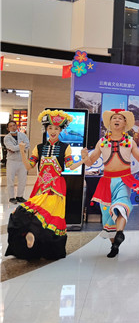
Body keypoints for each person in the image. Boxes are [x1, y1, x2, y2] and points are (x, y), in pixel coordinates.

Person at [5, 110, 84, 260]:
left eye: (56, 128)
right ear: (46, 129)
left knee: (50, 218)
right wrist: (22, 151)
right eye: (50, 128)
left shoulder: (65, 147)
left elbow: (71, 166)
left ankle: (44, 246)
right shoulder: (39, 147)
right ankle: (32, 240)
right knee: (28, 212)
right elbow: (29, 166)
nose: (53, 131)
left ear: (61, 130)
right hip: (41, 187)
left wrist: (83, 160)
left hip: (57, 188)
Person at [82, 109, 139, 258]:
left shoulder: (130, 142)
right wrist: (85, 157)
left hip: (123, 179)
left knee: (120, 206)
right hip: (106, 181)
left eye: (120, 118)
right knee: (107, 215)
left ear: (125, 123)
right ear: (109, 123)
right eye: (114, 118)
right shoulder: (102, 142)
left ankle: (120, 233)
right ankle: (114, 245)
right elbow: (90, 162)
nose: (116, 120)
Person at [4, 120, 30, 203]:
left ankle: (20, 196)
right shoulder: (7, 138)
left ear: (16, 126)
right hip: (12, 161)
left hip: (22, 160)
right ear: (8, 128)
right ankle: (11, 197)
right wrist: (21, 146)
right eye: (10, 126)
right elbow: (12, 148)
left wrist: (16, 148)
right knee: (10, 180)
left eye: (14, 125)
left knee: (22, 180)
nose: (13, 127)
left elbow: (28, 145)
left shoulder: (23, 135)